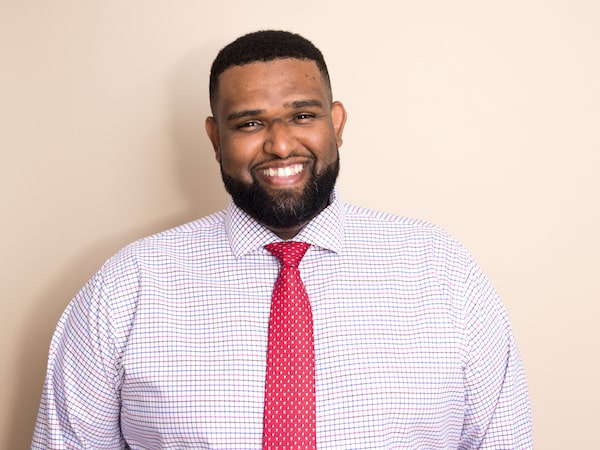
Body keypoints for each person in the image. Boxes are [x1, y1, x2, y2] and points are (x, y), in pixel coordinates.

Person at [32, 30, 532, 449]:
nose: (280, 144)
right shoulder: (127, 287)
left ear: (336, 123)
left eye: (302, 116)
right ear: (215, 139)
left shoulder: (442, 270)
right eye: (250, 123)